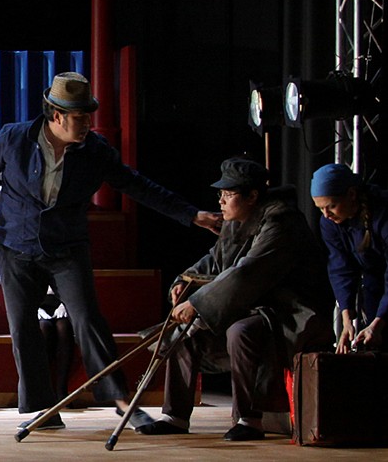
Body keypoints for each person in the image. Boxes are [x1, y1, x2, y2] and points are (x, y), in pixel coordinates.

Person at [0, 72, 221, 430]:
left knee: (88, 320)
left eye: (89, 116)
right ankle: (42, 409)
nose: (88, 124)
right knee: (23, 327)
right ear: (57, 116)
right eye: (80, 117)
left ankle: (122, 403)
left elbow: (138, 186)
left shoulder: (94, 151)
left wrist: (191, 215)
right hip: (16, 246)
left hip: (67, 248)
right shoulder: (13, 138)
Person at [137, 158, 334, 441]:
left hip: (289, 311)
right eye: (221, 194)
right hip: (250, 305)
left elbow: (247, 272)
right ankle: (175, 415)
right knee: (185, 333)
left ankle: (249, 419)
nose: (221, 201)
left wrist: (197, 304)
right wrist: (184, 281)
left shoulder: (281, 222)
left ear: (252, 196)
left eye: (228, 194)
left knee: (240, 330)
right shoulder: (235, 221)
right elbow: (215, 261)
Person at [311, 163, 387, 353]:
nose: (326, 214)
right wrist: (346, 318)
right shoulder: (329, 222)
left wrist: (379, 321)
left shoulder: (383, 212)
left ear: (352, 194)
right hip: (373, 283)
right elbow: (340, 267)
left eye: (332, 206)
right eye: (320, 209)